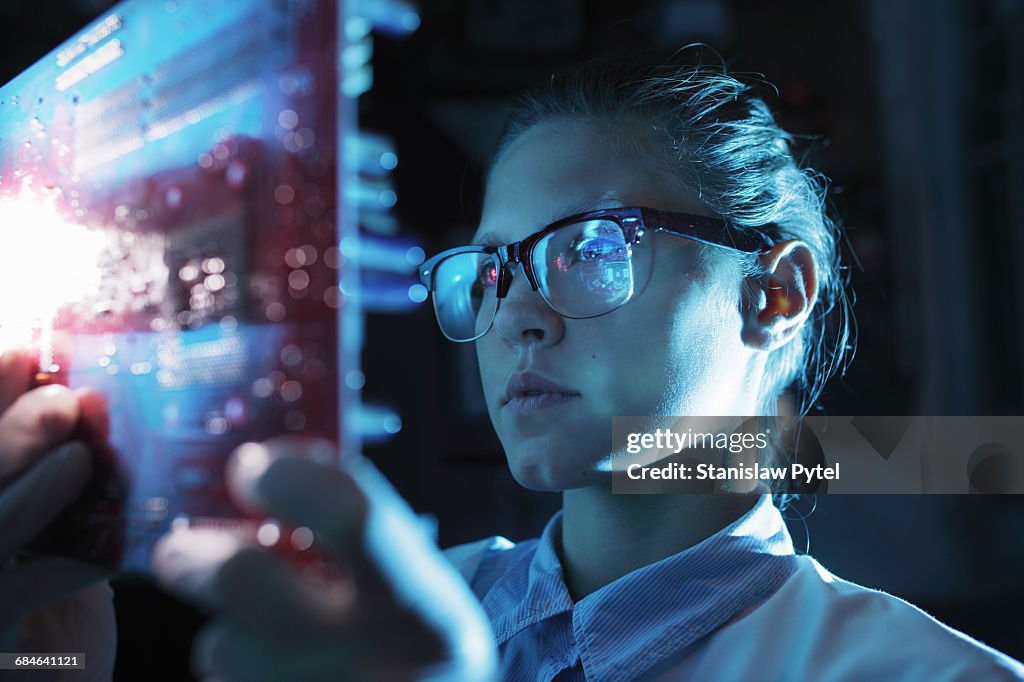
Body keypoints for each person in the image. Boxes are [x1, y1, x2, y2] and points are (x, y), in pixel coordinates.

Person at [2, 59, 1023, 681]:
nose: (516, 317)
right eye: (489, 271)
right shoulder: (365, 615)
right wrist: (44, 660)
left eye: (589, 249)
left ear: (775, 294)